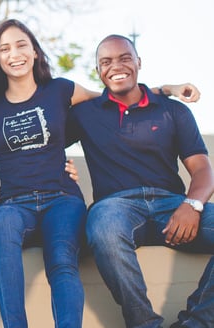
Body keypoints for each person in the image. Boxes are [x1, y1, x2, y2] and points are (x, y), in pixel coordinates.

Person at [0, 19, 200, 328]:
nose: (15, 54)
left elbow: (114, 96)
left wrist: (165, 89)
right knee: (1, 224)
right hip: (14, 201)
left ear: (35, 52)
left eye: (22, 45)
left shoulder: (61, 89)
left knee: (63, 260)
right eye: (5, 48)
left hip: (62, 197)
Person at [67, 34, 214, 328]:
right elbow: (42, 140)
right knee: (103, 228)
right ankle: (144, 323)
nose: (115, 66)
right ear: (98, 72)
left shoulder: (173, 110)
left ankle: (197, 322)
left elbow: (202, 169)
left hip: (172, 207)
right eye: (105, 62)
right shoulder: (84, 113)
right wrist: (60, 166)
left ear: (138, 62)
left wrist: (192, 204)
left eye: (124, 58)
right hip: (115, 208)